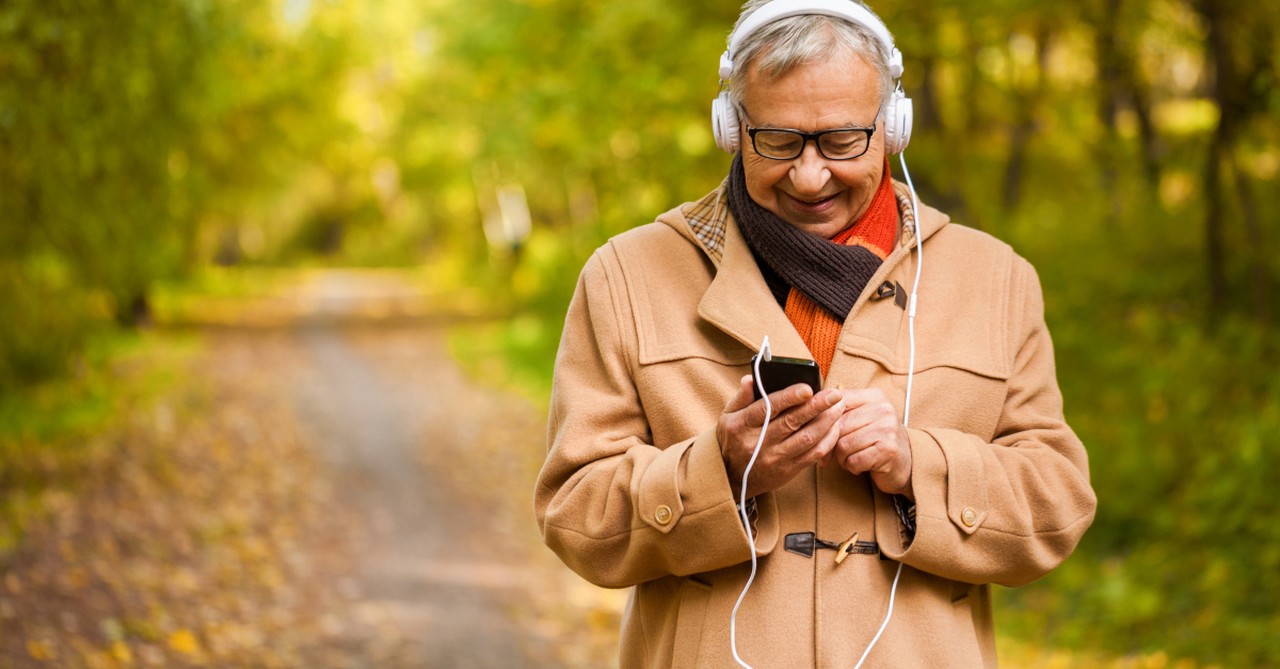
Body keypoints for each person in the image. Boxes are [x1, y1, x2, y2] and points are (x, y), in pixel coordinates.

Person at [534, 1, 1097, 666]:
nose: (809, 176)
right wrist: (721, 470)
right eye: (778, 140)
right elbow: (575, 516)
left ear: (891, 130)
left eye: (840, 141)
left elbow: (1056, 503)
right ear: (732, 129)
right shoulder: (626, 276)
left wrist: (917, 465)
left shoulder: (996, 279)